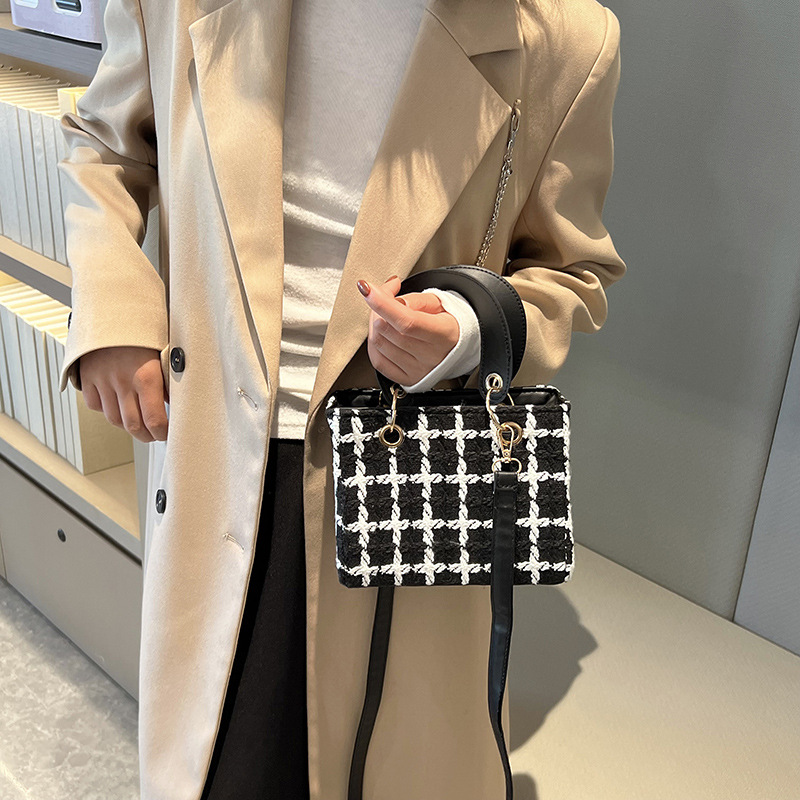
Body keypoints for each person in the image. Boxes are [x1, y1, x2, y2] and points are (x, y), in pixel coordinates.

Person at [58, 0, 627, 798]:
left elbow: (572, 271)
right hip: (216, 456)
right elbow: (105, 144)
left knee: (386, 759)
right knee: (221, 762)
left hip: (406, 480)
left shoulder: (564, 39)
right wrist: (113, 305)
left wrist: (465, 327)